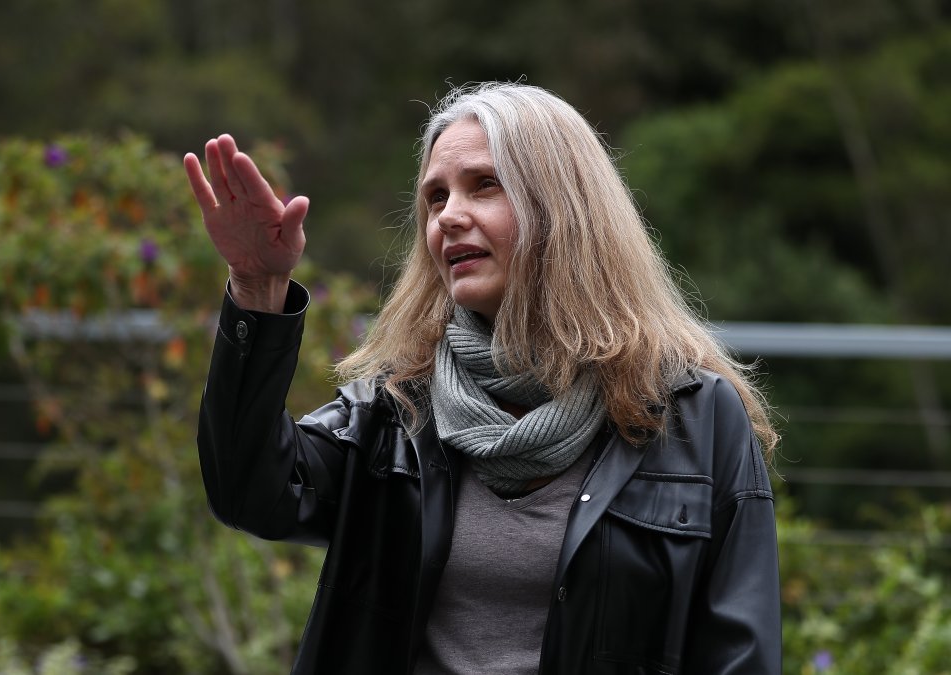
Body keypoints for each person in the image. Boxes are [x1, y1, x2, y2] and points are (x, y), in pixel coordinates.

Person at [184, 82, 781, 674]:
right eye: (435, 197)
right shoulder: (397, 408)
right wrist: (257, 287)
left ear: (564, 208)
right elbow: (250, 493)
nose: (448, 216)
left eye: (484, 185)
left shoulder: (695, 416)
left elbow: (740, 655)